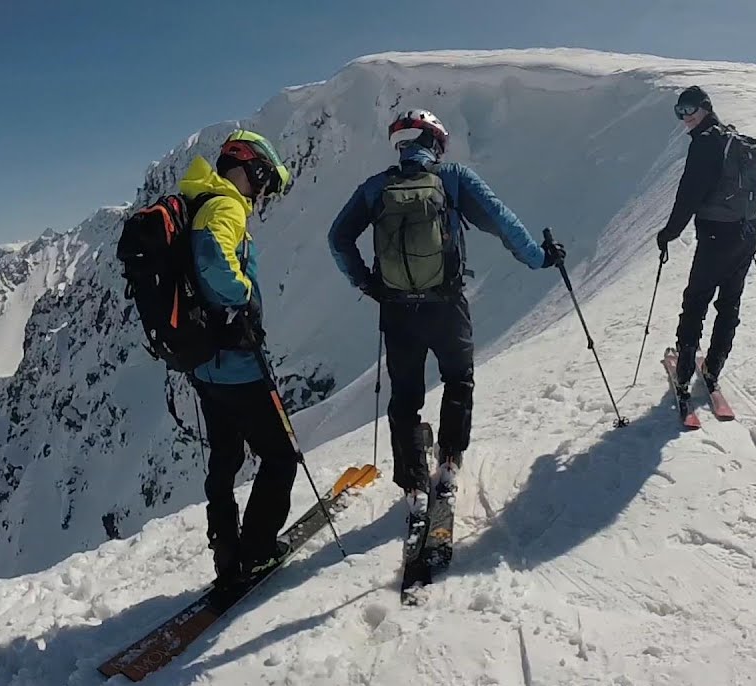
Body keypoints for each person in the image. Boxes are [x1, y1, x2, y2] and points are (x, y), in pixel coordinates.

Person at [327, 108, 564, 518]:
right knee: (458, 380)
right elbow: (501, 220)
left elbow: (338, 238)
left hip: (397, 310)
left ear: (402, 146)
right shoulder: (453, 179)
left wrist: (368, 284)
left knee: (405, 398)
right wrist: (540, 257)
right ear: (435, 143)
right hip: (447, 305)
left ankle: (414, 486)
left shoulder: (375, 188)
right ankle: (449, 464)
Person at [179, 129, 295, 586]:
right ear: (249, 169)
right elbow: (212, 259)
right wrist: (242, 295)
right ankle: (258, 552)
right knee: (280, 456)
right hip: (239, 365)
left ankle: (228, 557)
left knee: (224, 462)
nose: (263, 194)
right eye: (263, 182)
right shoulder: (225, 206)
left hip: (204, 365)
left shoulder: (197, 202)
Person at [655, 85, 756, 398]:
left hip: (717, 236)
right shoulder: (735, 140)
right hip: (747, 234)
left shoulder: (705, 144)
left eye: (689, 109)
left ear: (705, 107)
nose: (684, 117)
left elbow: (689, 195)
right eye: (679, 111)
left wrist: (668, 234)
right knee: (729, 301)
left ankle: (685, 374)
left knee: (696, 300)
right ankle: (714, 366)